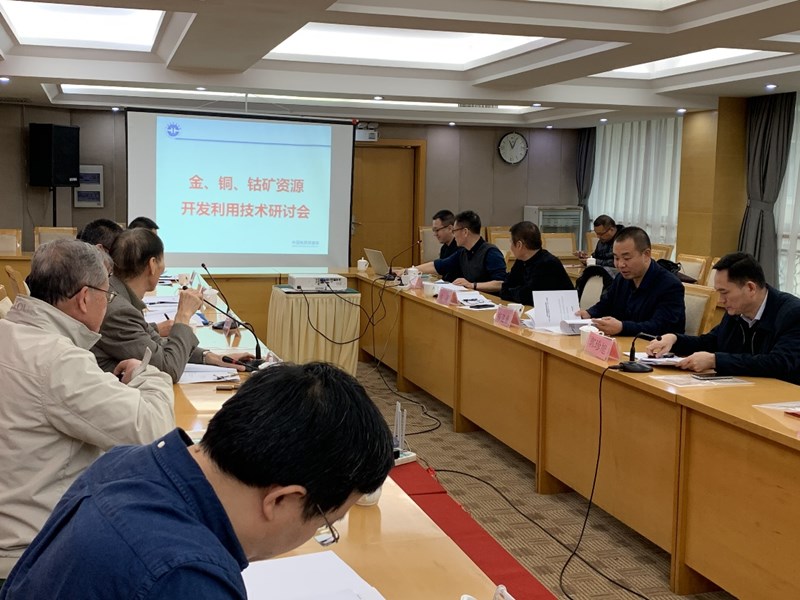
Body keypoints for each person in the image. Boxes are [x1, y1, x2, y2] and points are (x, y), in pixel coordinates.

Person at [0, 362, 394, 599]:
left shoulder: (127, 461)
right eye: (326, 524)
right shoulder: (187, 577)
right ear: (281, 500)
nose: (319, 532)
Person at [0, 239, 174, 582]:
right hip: (32, 560)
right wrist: (148, 375)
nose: (108, 303)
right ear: (84, 298)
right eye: (107, 294)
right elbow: (154, 431)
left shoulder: (11, 333)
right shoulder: (57, 359)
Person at [92, 229, 254, 383]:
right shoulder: (119, 311)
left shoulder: (120, 294)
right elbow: (169, 369)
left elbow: (157, 345)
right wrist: (183, 316)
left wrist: (211, 357)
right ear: (152, 265)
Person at [646, 253, 800, 383]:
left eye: (724, 292)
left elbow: (779, 363)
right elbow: (712, 342)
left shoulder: (792, 313)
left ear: (750, 288)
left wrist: (715, 361)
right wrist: (675, 340)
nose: (720, 300)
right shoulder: (737, 310)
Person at [576, 226, 685, 336]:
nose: (620, 265)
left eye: (627, 258)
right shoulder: (621, 278)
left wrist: (622, 327)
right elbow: (606, 304)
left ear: (646, 255)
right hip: (623, 341)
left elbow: (660, 326)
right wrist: (589, 313)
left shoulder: (670, 285)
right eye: (616, 258)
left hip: (652, 344)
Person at [416, 210, 506, 293]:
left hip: (489, 300)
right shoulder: (463, 252)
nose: (453, 235)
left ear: (465, 232)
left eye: (454, 231)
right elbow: (439, 265)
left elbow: (500, 283)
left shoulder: (491, 252)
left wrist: (472, 285)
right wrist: (411, 270)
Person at [500, 221, 573, 304]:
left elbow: (529, 296)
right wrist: (517, 292)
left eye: (511, 243)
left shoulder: (548, 264)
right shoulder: (521, 260)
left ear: (519, 245)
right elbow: (504, 290)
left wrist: (515, 291)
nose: (510, 247)